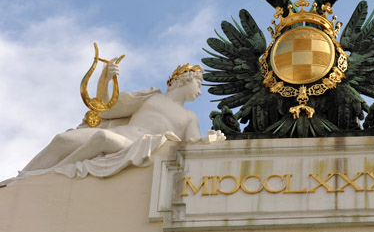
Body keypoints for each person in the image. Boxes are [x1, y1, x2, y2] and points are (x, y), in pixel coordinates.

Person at [20, 62, 224, 178]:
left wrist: (211, 140)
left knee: (102, 138)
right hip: (119, 133)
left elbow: (193, 145)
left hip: (136, 145)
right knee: (62, 140)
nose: (199, 91)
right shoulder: (152, 96)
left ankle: (52, 173)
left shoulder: (189, 117)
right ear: (182, 80)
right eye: (198, 84)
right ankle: (22, 177)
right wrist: (106, 80)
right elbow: (108, 109)